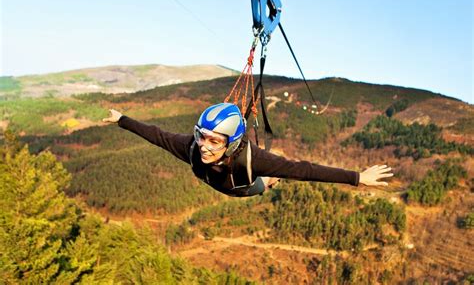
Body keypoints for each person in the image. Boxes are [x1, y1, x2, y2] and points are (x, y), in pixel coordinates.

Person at [103, 103, 393, 197]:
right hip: (220, 181)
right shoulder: (191, 147)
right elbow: (156, 135)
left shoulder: (254, 160)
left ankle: (270, 179)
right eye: (202, 136)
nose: (204, 146)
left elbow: (305, 170)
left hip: (243, 186)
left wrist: (357, 177)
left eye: (214, 141)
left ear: (231, 143)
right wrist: (122, 120)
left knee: (270, 178)